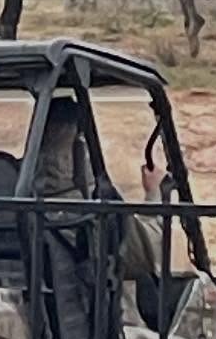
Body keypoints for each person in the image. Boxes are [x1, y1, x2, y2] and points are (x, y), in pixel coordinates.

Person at [35, 98, 167, 285]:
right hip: (90, 302)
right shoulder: (91, 212)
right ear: (81, 151)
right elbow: (150, 251)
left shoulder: (12, 206)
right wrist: (154, 193)